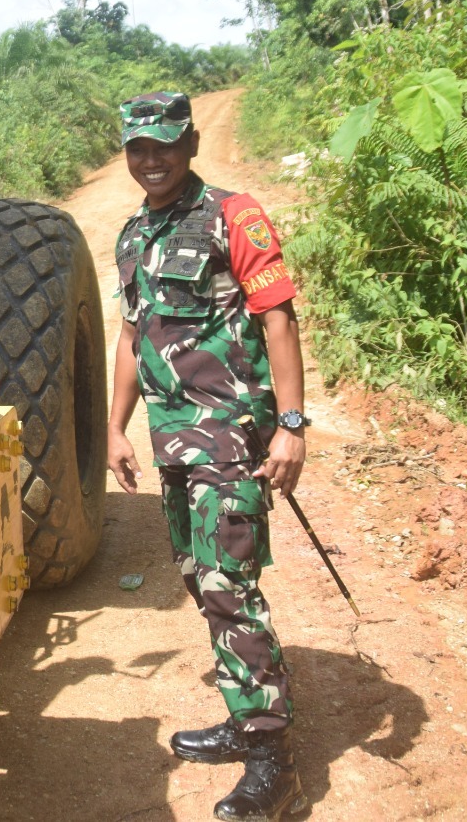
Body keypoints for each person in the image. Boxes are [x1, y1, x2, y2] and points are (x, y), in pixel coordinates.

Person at [105, 92, 310, 822]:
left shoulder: (233, 214)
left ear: (190, 143)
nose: (150, 159)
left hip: (230, 435)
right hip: (173, 439)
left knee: (230, 585)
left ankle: (272, 763)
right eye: (137, 147)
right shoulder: (134, 236)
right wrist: (114, 426)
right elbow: (132, 337)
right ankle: (242, 711)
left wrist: (290, 426)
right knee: (199, 578)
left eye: (163, 144)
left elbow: (277, 317)